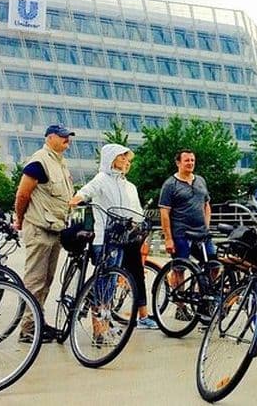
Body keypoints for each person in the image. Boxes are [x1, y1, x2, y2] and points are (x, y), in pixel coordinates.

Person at [69, 144, 158, 331]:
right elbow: (85, 192)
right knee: (105, 281)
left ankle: (105, 322)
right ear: (111, 158)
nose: (127, 162)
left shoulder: (129, 186)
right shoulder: (101, 179)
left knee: (112, 282)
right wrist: (74, 201)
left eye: (128, 159)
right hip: (105, 238)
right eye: (122, 158)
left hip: (127, 238)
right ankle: (98, 328)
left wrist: (140, 228)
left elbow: (137, 212)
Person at [14, 124, 75, 343]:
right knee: (35, 281)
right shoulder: (39, 161)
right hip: (39, 228)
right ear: (50, 138)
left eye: (68, 137)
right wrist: (20, 219)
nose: (67, 140)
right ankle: (28, 329)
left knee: (47, 281)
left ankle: (38, 322)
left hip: (56, 228)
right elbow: (23, 194)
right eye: (63, 137)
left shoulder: (60, 163)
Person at [159, 149, 215, 319]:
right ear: (178, 163)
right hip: (181, 233)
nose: (190, 163)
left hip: (201, 233)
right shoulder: (170, 184)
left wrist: (206, 227)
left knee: (214, 265)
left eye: (192, 160)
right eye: (187, 160)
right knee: (179, 269)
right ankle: (180, 306)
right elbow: (164, 212)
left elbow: (206, 205)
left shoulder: (200, 181)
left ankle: (201, 296)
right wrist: (168, 238)